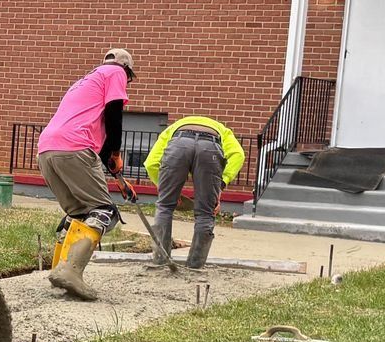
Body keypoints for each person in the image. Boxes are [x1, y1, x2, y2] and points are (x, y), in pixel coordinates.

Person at [37, 48, 135, 300]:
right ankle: (70, 272)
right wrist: (116, 151)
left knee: (79, 214)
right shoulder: (115, 72)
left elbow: (99, 151)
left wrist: (118, 176)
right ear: (125, 68)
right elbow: (115, 114)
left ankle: (59, 273)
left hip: (48, 149)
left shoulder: (85, 82)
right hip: (74, 147)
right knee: (104, 211)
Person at [143, 114, 246, 268]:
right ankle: (195, 266)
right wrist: (220, 185)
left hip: (178, 144)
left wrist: (165, 189)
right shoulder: (223, 131)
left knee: (165, 206)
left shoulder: (172, 129)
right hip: (210, 147)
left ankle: (160, 261)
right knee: (205, 212)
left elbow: (151, 163)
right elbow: (239, 155)